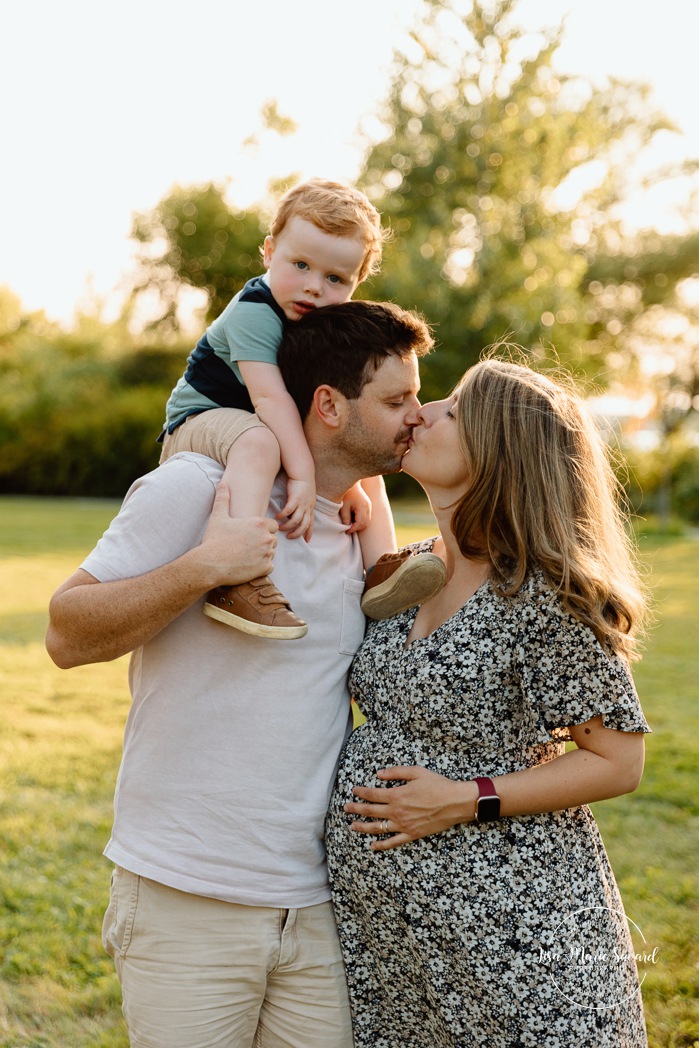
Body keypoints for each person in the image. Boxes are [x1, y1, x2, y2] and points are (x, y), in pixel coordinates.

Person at [45, 300, 434, 1048]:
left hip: (316, 902)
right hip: (186, 895)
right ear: (327, 405)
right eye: (395, 400)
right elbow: (66, 633)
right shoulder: (197, 487)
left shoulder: (363, 533)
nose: (414, 415)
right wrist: (205, 568)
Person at [326, 355, 651, 1047]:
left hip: (516, 930)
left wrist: (464, 797)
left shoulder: (542, 592)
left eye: (451, 408)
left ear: (498, 453)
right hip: (397, 937)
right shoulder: (408, 572)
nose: (422, 410)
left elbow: (618, 761)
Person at [159, 178, 444, 638]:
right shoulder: (255, 310)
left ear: (357, 282)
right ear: (269, 252)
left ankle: (380, 569)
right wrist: (305, 478)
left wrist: (347, 483)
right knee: (258, 442)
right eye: (301, 265)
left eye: (335, 279)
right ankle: (240, 579)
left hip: (254, 418)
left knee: (366, 461)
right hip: (199, 417)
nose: (314, 288)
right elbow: (271, 400)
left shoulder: (313, 322)